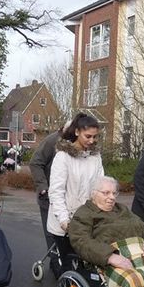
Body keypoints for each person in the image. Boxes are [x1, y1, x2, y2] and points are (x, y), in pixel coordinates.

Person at [47, 113, 104, 265]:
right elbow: (56, 192)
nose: (92, 141)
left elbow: (100, 186)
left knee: (88, 263)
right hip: (66, 221)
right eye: (88, 136)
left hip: (87, 219)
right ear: (77, 132)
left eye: (95, 137)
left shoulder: (95, 157)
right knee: (70, 264)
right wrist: (64, 221)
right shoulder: (63, 157)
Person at [29, 126, 63, 258]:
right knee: (52, 232)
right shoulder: (51, 141)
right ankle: (55, 262)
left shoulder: (76, 143)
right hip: (48, 195)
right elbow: (35, 163)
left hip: (65, 195)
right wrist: (43, 187)